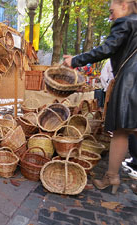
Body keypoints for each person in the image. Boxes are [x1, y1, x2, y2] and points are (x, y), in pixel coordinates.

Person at [63, 0, 137, 194]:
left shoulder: (126, 22)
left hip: (131, 82)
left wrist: (75, 60)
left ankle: (112, 177)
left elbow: (105, 49)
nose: (111, 17)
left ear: (124, 5)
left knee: (121, 133)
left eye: (112, 11)